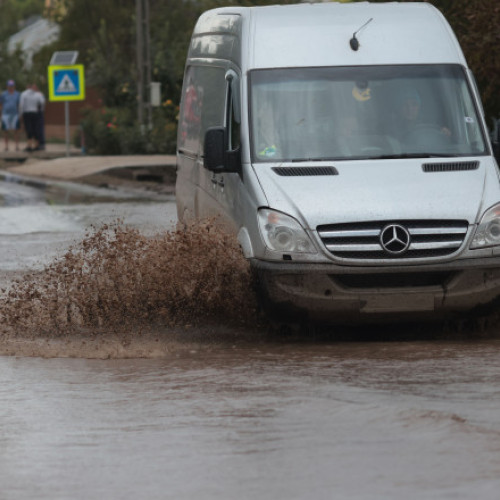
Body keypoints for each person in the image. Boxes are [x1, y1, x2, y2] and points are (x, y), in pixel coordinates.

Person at [20, 82, 45, 152]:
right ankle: (36, 145)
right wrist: (39, 110)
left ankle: (29, 145)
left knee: (28, 129)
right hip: (35, 113)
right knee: (35, 129)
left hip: (27, 113)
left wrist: (21, 114)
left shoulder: (24, 94)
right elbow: (42, 102)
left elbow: (21, 104)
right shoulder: (37, 94)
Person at [0, 80, 21, 151]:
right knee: (6, 131)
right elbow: (1, 104)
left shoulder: (17, 94)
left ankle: (17, 146)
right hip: (5, 114)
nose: (11, 87)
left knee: (16, 130)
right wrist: (1, 113)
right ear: (7, 86)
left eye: (12, 86)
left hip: (15, 114)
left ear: (14, 86)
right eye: (9, 86)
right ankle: (6, 147)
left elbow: (19, 104)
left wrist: (19, 114)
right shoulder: (3, 94)